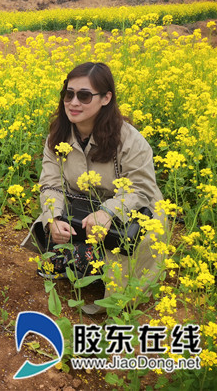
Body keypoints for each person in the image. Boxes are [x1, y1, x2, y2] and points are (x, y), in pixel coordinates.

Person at [28, 62, 165, 313]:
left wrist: (108, 212)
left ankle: (89, 260)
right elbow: (51, 184)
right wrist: (53, 219)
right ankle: (82, 256)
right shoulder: (57, 135)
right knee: (54, 236)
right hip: (82, 209)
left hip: (131, 209)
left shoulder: (130, 140)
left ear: (106, 98)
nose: (73, 102)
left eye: (84, 95)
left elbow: (141, 189)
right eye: (68, 94)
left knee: (128, 270)